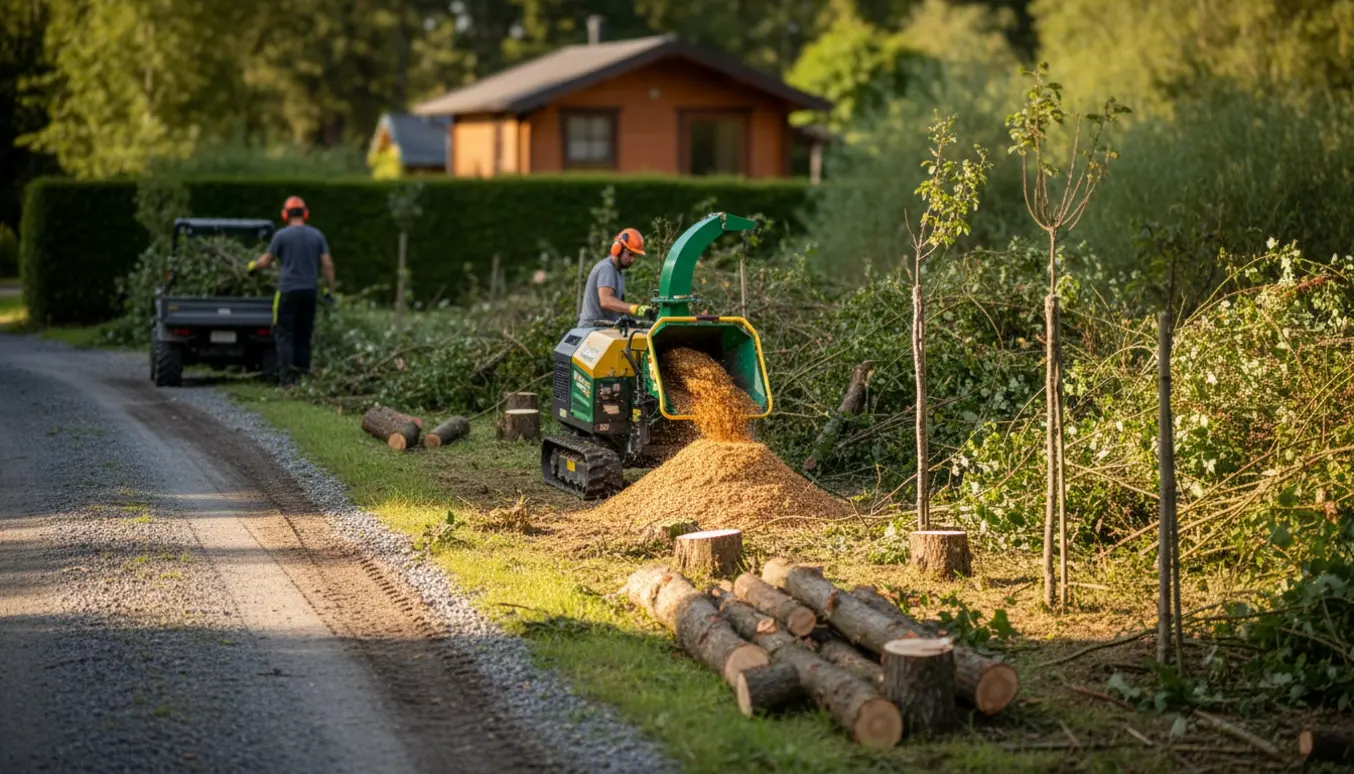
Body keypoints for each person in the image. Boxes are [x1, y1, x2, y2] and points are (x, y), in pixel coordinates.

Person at [246, 195, 336, 387]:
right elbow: (328, 265)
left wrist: (252, 266)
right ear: (305, 213)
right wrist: (329, 290)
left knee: (285, 335)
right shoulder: (317, 235)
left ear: (285, 214)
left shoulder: (281, 236)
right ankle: (303, 378)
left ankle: (287, 381)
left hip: (287, 291)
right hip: (310, 291)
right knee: (304, 335)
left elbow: (267, 260)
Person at [578, 227, 653, 327]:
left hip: (605, 327)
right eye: (630, 254)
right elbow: (606, 301)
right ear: (617, 248)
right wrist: (636, 309)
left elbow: (618, 307)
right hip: (592, 328)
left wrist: (641, 317)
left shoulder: (619, 272)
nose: (633, 260)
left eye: (635, 256)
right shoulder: (606, 268)